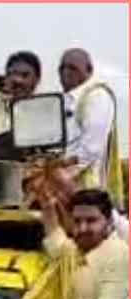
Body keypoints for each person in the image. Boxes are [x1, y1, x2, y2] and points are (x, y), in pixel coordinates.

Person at [59, 48, 122, 199]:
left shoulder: (97, 96)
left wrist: (62, 175)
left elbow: (90, 149)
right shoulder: (65, 100)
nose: (65, 72)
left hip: (86, 190)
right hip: (64, 189)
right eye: (62, 68)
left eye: (72, 68)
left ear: (89, 70)